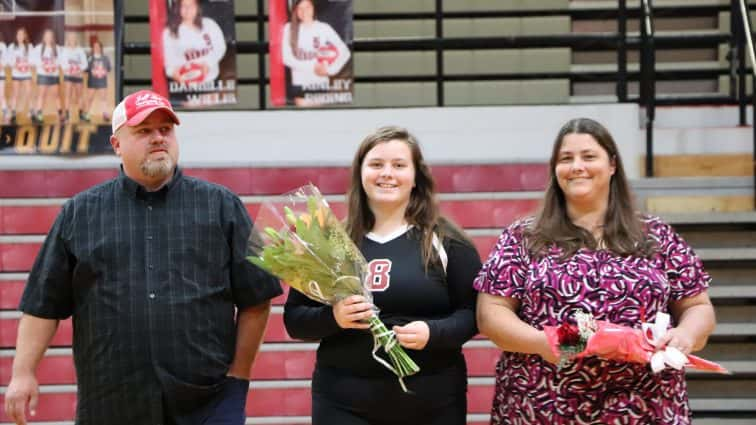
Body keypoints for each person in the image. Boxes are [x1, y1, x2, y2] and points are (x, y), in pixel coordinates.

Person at [3, 89, 282, 425]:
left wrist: (239, 378)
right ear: (116, 144)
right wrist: (23, 373)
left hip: (206, 405)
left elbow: (257, 298)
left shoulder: (222, 206)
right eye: (143, 131)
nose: (158, 139)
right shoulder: (79, 213)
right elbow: (42, 305)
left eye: (165, 130)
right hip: (110, 404)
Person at [474, 117, 716, 424]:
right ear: (555, 169)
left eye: (589, 156)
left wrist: (685, 334)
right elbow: (490, 314)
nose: (577, 166)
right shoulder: (523, 236)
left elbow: (698, 306)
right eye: (566, 158)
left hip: (645, 403)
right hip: (542, 403)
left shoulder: (656, 234)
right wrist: (542, 343)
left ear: (612, 164)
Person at [284, 126, 481, 425]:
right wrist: (334, 317)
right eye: (376, 164)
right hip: (343, 403)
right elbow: (295, 320)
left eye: (399, 165)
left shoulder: (448, 241)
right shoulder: (329, 241)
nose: (387, 173)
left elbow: (473, 314)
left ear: (416, 177)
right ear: (360, 173)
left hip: (432, 401)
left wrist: (433, 333)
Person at [281, 0, 350, 107]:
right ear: (295, 11)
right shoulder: (289, 28)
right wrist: (312, 67)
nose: (304, 11)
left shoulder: (323, 28)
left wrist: (330, 70)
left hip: (320, 84)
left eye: (307, 7)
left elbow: (345, 52)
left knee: (319, 119)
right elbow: (286, 58)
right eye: (300, 8)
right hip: (300, 84)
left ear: (313, 8)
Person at [162, 0, 227, 86]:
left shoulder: (209, 24)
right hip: (185, 84)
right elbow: (168, 61)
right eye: (183, 6)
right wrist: (173, 73)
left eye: (192, 5)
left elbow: (220, 47)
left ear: (197, 7)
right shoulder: (169, 32)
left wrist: (208, 64)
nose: (188, 9)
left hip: (211, 80)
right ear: (177, 8)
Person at [31, 29, 62, 124]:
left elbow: (61, 60)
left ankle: (61, 115)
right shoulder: (38, 48)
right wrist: (42, 65)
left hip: (54, 75)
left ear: (53, 38)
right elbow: (33, 60)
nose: (48, 38)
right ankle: (39, 114)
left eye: (50, 36)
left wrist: (54, 65)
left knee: (56, 95)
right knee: (41, 95)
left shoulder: (57, 48)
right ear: (44, 38)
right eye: (46, 36)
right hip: (43, 75)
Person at [59, 32, 88, 124]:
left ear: (76, 39)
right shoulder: (65, 50)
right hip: (68, 76)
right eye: (70, 38)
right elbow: (62, 63)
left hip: (78, 75)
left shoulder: (80, 51)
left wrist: (78, 71)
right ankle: (66, 115)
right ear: (68, 39)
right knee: (68, 95)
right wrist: (68, 70)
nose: (72, 39)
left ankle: (81, 114)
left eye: (73, 38)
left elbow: (85, 64)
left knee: (79, 96)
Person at [6, 27, 33, 124]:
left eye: (22, 34)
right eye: (18, 34)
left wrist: (28, 65)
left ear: (25, 36)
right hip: (16, 73)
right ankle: (13, 112)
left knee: (29, 92)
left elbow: (32, 59)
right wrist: (15, 65)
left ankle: (31, 111)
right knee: (15, 94)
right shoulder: (12, 46)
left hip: (26, 73)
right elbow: (9, 60)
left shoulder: (29, 46)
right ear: (16, 36)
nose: (20, 36)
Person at [80, 39, 110, 122]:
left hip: (102, 81)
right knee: (89, 98)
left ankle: (105, 114)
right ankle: (86, 114)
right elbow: (86, 69)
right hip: (92, 81)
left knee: (103, 98)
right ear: (93, 48)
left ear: (101, 48)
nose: (96, 48)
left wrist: (101, 72)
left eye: (98, 47)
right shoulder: (90, 58)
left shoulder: (105, 58)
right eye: (95, 47)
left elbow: (108, 68)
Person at [1, 37, 8, 123]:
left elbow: (7, 59)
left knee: (1, 95)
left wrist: (3, 65)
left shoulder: (2, 46)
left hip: (1, 74)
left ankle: (5, 113)